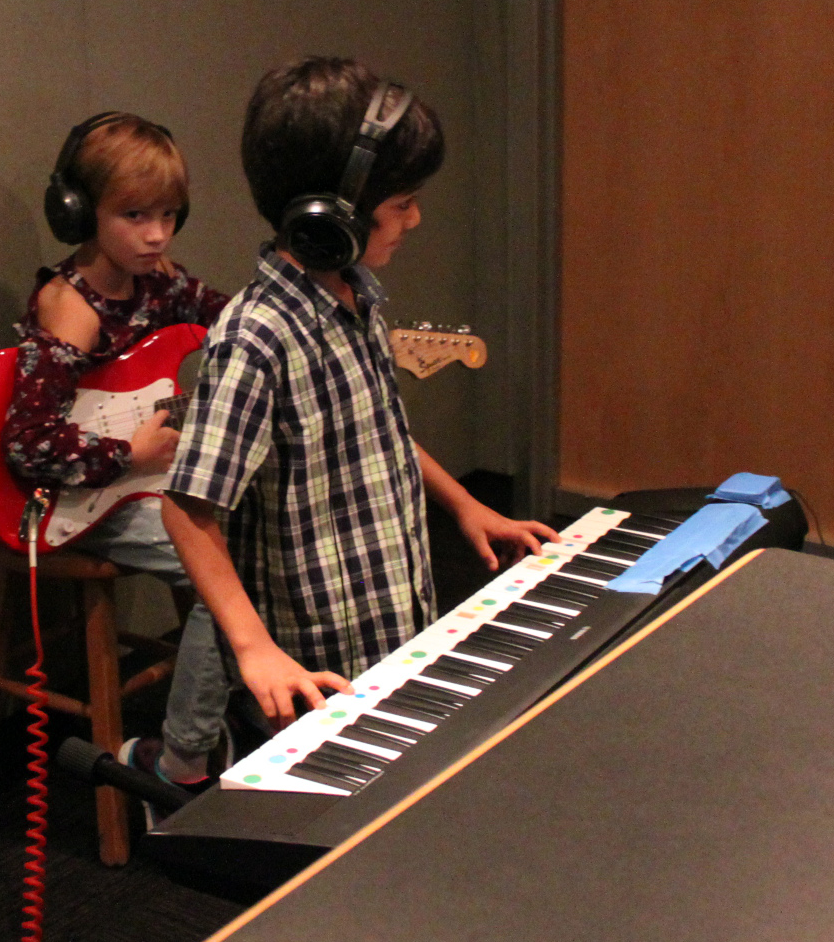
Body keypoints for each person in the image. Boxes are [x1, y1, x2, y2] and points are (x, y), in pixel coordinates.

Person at [161, 57, 558, 728]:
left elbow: (378, 434)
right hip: (309, 670)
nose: (416, 218)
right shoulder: (255, 338)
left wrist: (464, 505)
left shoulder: (359, 301)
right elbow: (186, 510)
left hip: (390, 625)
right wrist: (254, 650)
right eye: (401, 203)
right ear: (332, 214)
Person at [1, 113, 234, 790]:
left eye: (167, 214)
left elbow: (235, 327)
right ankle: (180, 760)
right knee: (223, 576)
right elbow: (30, 442)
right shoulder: (68, 305)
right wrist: (127, 455)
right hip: (78, 502)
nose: (155, 234)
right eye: (133, 214)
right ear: (78, 210)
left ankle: (237, 716)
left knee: (250, 546)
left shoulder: (159, 280)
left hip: (136, 487)